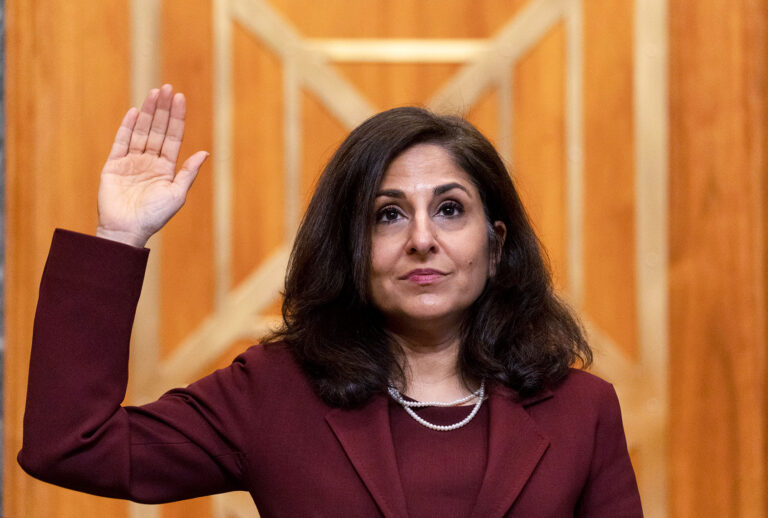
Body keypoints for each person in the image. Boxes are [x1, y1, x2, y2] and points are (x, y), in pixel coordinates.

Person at [18, 84, 643, 517]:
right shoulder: (274, 392)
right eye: (388, 215)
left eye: (450, 209)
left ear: (496, 242)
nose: (422, 239)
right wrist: (118, 237)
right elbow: (73, 446)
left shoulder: (582, 411)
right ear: (350, 247)